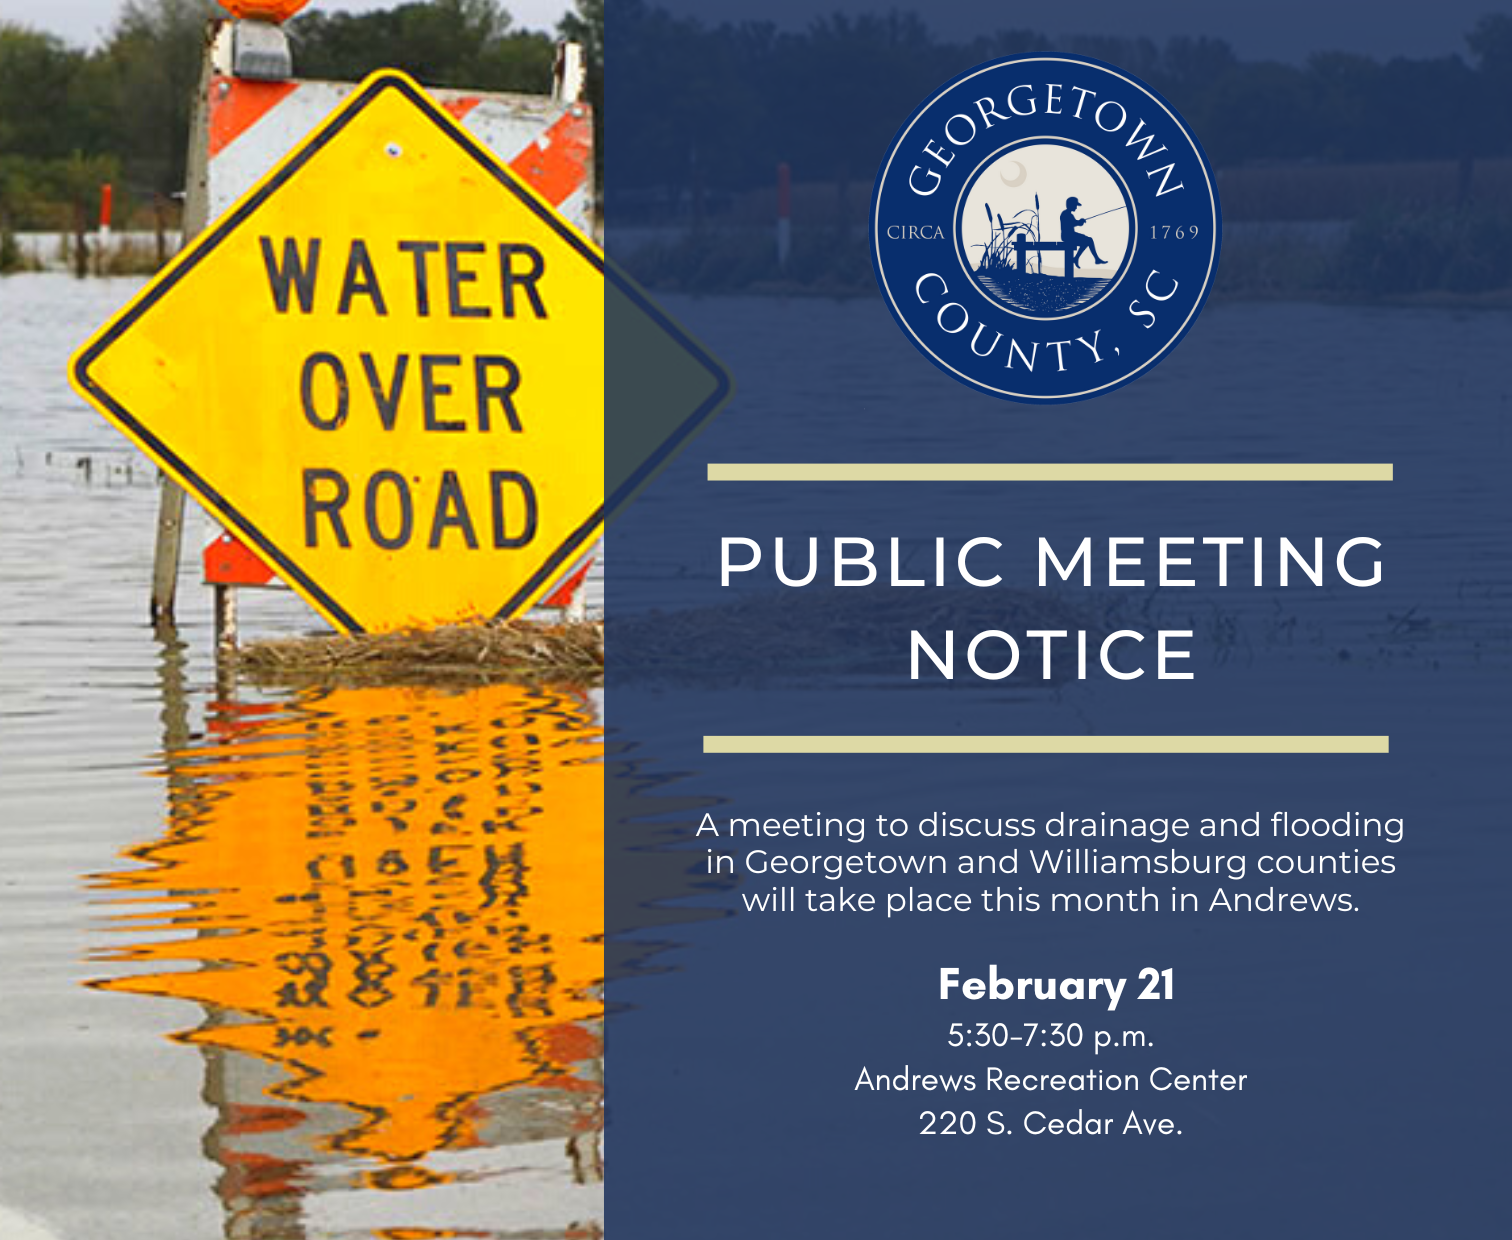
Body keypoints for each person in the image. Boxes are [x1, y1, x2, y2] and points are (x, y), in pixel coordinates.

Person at [1059, 196, 1108, 269]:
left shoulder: (1067, 214)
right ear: (1071, 205)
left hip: (1069, 235)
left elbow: (1074, 223)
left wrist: (1079, 222)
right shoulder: (1066, 214)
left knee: (1087, 241)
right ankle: (1095, 259)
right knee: (1089, 240)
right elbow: (1072, 223)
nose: (1076, 207)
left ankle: (1076, 258)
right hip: (1068, 236)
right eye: (1075, 205)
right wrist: (1080, 222)